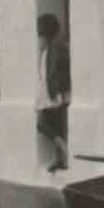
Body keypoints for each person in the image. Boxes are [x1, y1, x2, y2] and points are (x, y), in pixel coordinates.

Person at [35, 12, 71, 174]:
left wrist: (58, 93)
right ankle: (61, 157)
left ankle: (63, 153)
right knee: (53, 125)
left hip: (55, 94)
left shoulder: (56, 49)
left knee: (47, 124)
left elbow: (58, 72)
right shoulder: (48, 49)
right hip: (50, 94)